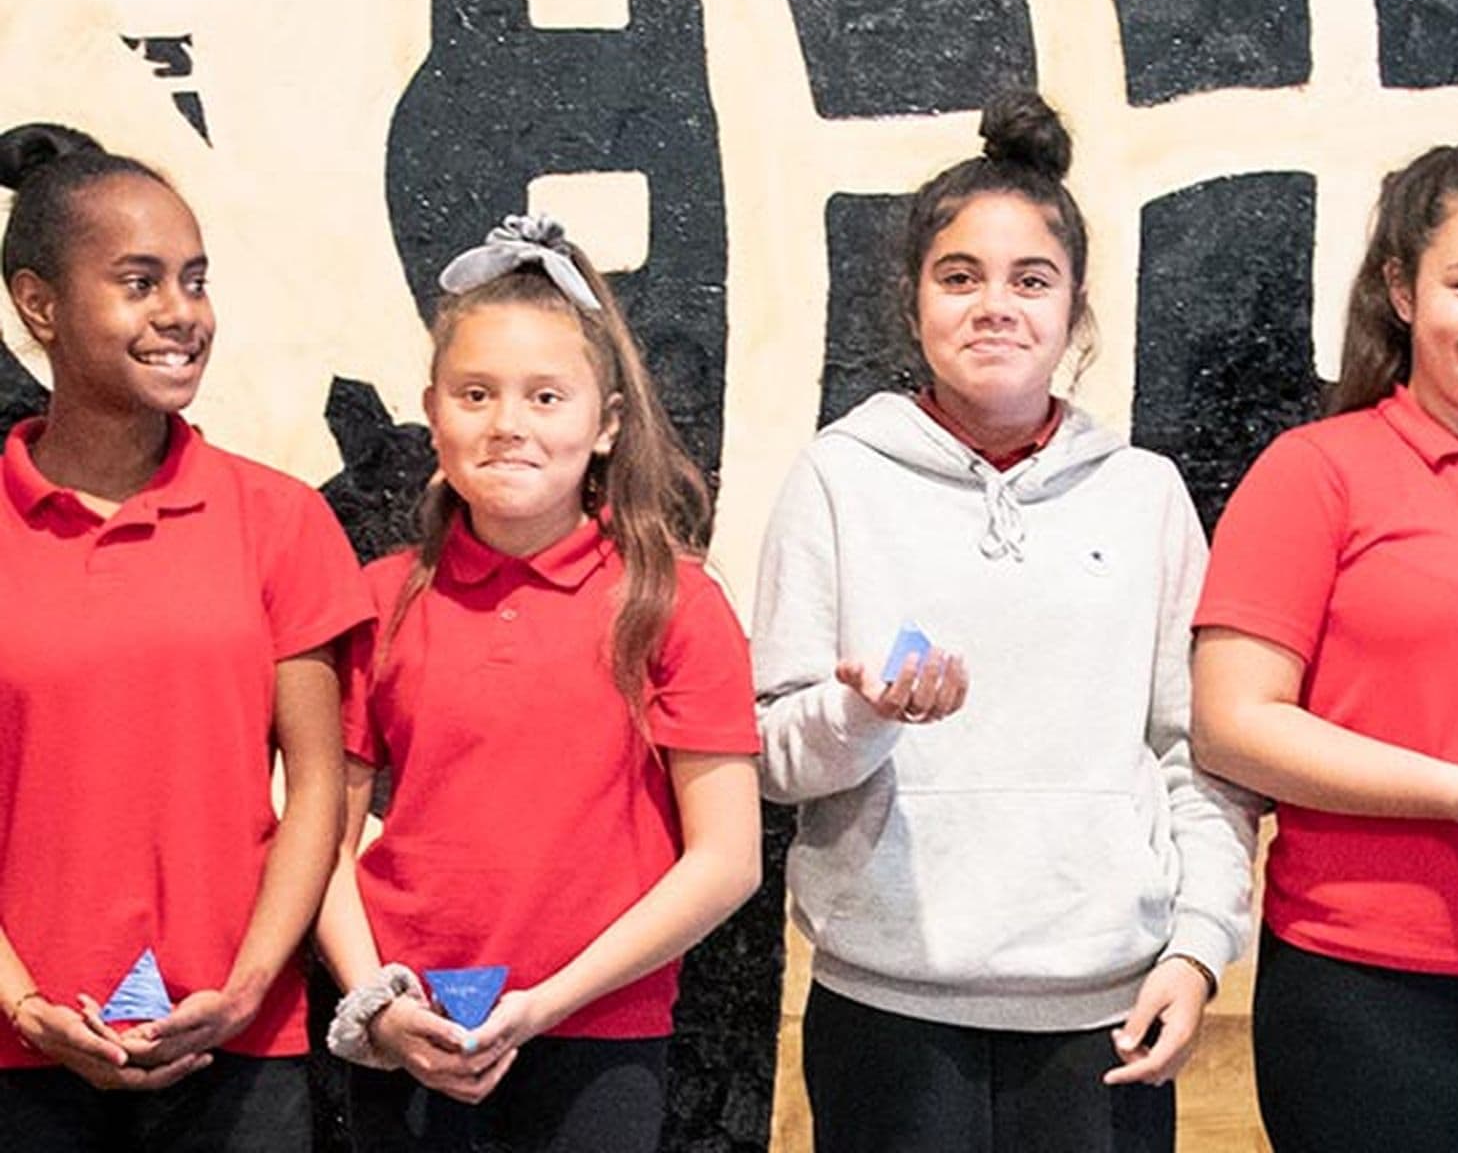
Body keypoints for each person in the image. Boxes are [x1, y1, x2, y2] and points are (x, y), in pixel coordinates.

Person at [752, 92, 1256, 1153]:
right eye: (959, 277)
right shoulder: (838, 478)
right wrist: (862, 713)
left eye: (1031, 280)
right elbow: (770, 752)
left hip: (1103, 1005)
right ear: (912, 302)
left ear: (1075, 308)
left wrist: (1199, 946)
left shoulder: (1146, 494)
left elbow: (1195, 752)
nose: (995, 306)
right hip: (888, 1007)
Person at [318, 213, 761, 1153]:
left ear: (604, 425)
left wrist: (544, 1004)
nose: (508, 423)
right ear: (432, 410)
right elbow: (322, 832)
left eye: (546, 397)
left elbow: (727, 859)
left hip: (598, 1037)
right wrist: (376, 1005)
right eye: (476, 394)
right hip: (410, 1035)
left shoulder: (674, 603)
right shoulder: (379, 601)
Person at [1192, 142, 1458, 1152]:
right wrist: (1450, 790)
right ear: (1399, 289)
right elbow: (1232, 725)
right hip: (1363, 981)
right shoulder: (1313, 472)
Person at [0, 123, 365, 1151]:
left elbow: (318, 788)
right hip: (19, 1059)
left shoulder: (280, 519)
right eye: (140, 281)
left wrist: (248, 986)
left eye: (194, 281)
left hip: (240, 1059)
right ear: (40, 304)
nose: (181, 315)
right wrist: (24, 1004)